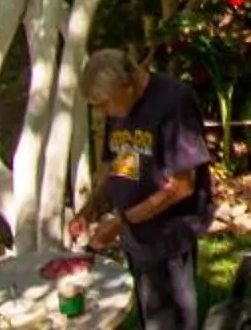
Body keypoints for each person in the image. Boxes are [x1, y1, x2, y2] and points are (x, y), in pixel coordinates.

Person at [70, 47, 214, 330]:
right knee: (152, 314)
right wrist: (89, 211)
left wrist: (121, 221)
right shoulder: (119, 106)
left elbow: (182, 187)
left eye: (103, 103)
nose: (101, 111)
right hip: (136, 235)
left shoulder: (175, 102)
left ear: (128, 85)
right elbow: (121, 167)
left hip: (169, 235)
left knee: (173, 321)